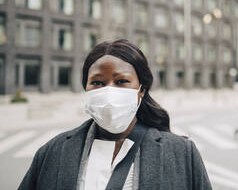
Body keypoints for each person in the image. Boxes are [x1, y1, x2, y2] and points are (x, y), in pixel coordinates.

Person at [18, 39, 211, 190]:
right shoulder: (52, 152)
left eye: (121, 81)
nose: (109, 92)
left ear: (141, 89)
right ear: (86, 88)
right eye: (98, 83)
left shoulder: (182, 153)